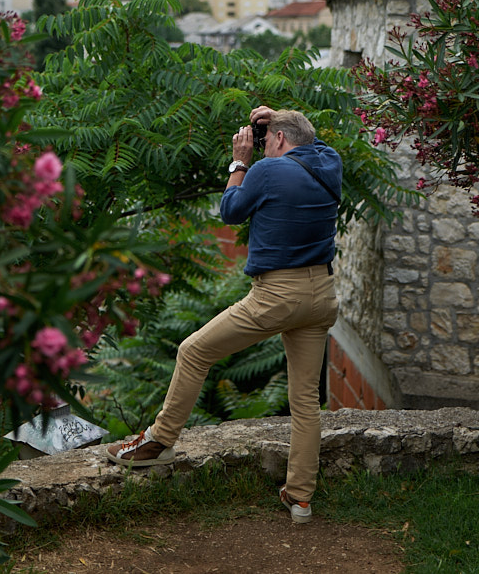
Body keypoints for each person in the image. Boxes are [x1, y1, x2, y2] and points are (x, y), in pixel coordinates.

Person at [106, 105, 342, 524]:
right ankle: (301, 498)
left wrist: (240, 161)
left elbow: (230, 210)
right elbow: (308, 138)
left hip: (277, 296)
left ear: (281, 141)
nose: (264, 143)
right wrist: (281, 119)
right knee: (306, 400)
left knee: (193, 351)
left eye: (269, 138)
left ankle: (158, 441)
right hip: (321, 295)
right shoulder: (329, 163)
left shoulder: (267, 170)